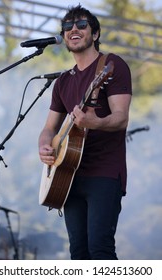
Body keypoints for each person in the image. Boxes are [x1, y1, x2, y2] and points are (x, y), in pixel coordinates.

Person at [38, 4, 132, 260]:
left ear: (96, 34)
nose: (73, 30)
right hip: (67, 175)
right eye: (68, 26)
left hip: (104, 172)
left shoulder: (111, 65)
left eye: (81, 25)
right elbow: (49, 128)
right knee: (78, 254)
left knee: (100, 250)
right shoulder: (63, 81)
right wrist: (45, 147)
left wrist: (94, 122)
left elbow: (121, 119)